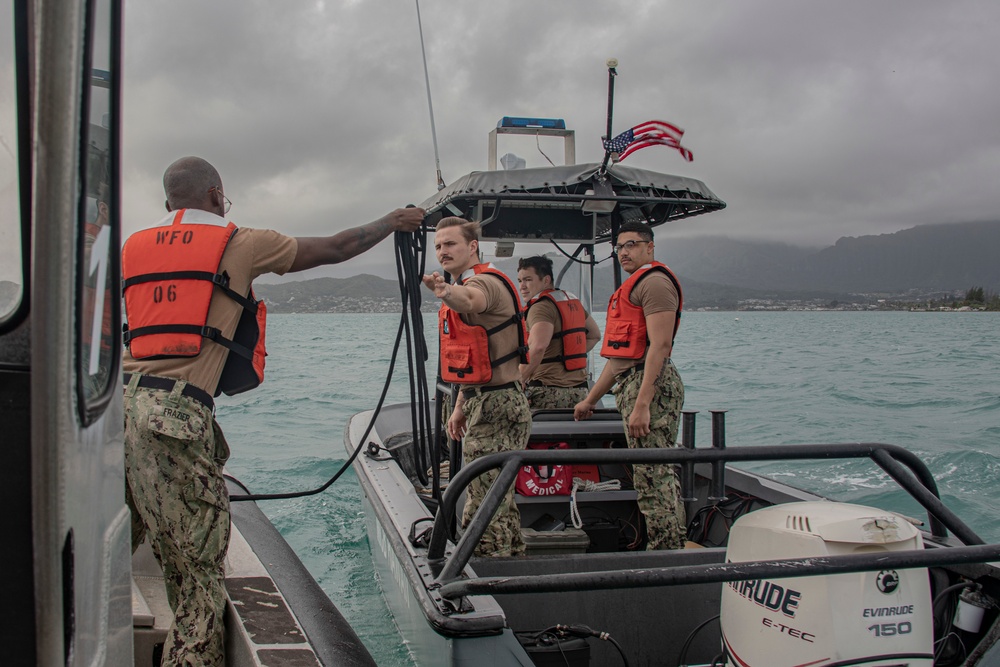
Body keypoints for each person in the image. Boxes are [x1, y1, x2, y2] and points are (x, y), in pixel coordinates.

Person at [121, 156, 424, 666]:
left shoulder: (133, 246)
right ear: (217, 196)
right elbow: (335, 247)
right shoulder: (241, 242)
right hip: (173, 417)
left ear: (168, 202)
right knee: (198, 579)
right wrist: (390, 222)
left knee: (116, 545)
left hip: (119, 409)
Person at [573, 221, 687, 550]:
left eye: (632, 245)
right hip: (634, 381)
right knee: (652, 473)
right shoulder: (633, 288)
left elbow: (660, 347)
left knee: (653, 477)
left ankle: (667, 553)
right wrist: (591, 400)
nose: (624, 252)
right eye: (620, 247)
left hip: (650, 386)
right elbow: (620, 358)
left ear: (650, 248)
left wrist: (642, 405)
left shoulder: (654, 284)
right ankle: (672, 545)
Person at [422, 217, 529, 557]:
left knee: (483, 501)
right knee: (499, 498)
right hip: (484, 399)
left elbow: (471, 300)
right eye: (438, 246)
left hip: (498, 405)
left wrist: (445, 291)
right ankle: (512, 562)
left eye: (450, 244)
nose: (442, 251)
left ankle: (483, 574)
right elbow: (477, 363)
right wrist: (458, 406)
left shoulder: (485, 283)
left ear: (471, 247)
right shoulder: (469, 280)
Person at [516, 255, 601, 409]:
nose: (522, 286)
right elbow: (594, 335)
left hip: (547, 392)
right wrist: (565, 354)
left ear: (546, 280)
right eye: (520, 281)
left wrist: (518, 381)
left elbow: (538, 347)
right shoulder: (571, 302)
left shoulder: (540, 307)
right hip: (580, 392)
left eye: (528, 279)